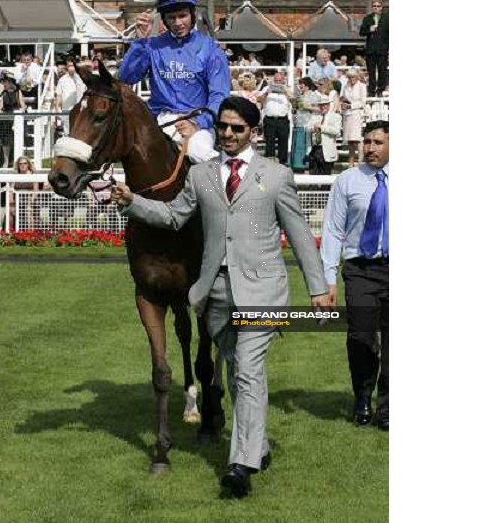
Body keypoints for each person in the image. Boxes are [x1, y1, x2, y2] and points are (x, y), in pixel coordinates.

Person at [111, 96, 330, 499]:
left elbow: (299, 234)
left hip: (262, 290)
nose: (228, 134)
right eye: (223, 127)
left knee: (246, 368)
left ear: (254, 132)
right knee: (236, 371)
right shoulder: (201, 176)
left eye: (237, 129)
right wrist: (134, 203)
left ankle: (239, 465)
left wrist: (318, 288)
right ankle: (258, 446)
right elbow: (174, 216)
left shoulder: (276, 176)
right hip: (213, 291)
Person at [320, 120, 389, 431]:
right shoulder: (347, 180)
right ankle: (362, 396)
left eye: (378, 142)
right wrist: (328, 278)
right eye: (367, 141)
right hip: (360, 270)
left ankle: (388, 407)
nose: (370, 148)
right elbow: (333, 231)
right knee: (361, 337)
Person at [118, 0, 230, 163]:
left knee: (199, 153)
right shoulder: (152, 47)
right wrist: (140, 42)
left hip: (198, 123)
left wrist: (197, 123)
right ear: (164, 20)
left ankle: (225, 187)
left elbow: (220, 96)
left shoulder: (210, 49)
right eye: (172, 18)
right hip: (159, 121)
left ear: (192, 15)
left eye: (182, 16)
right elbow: (126, 77)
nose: (178, 23)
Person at [260, 71, 292, 165]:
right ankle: (270, 163)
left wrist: (285, 91)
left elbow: (294, 101)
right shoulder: (267, 88)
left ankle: (282, 163)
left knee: (283, 142)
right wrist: (267, 93)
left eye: (279, 80)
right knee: (270, 142)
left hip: (282, 119)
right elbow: (259, 100)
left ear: (283, 80)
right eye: (276, 80)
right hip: (270, 119)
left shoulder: (287, 89)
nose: (277, 82)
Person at [359, 0, 389, 97]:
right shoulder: (367, 18)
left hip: (382, 49)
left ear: (381, 7)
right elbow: (361, 32)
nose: (376, 7)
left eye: (378, 6)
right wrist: (369, 30)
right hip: (371, 50)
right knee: (371, 72)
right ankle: (371, 91)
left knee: (382, 71)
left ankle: (380, 90)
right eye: (374, 6)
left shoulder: (387, 18)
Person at [306, 95, 342, 175]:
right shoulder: (315, 116)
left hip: (327, 150)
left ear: (328, 105)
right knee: (313, 175)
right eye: (321, 105)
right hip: (315, 148)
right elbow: (307, 127)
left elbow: (336, 131)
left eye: (325, 104)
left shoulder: (335, 116)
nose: (323, 107)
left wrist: (321, 128)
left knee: (326, 175)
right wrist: (312, 128)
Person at [289, 77, 319, 173]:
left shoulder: (313, 95)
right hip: (298, 123)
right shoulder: (299, 95)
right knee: (297, 145)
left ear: (307, 85)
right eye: (300, 84)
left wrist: (306, 106)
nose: (301, 86)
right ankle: (296, 165)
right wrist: (294, 108)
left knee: (304, 146)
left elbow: (318, 108)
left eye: (303, 84)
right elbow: (296, 108)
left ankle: (305, 165)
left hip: (307, 123)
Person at [340, 68, 367, 167]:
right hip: (347, 114)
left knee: (357, 139)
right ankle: (350, 163)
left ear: (357, 77)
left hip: (357, 114)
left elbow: (363, 102)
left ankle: (360, 161)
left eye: (353, 77)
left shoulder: (362, 86)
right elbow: (342, 98)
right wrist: (343, 104)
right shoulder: (345, 86)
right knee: (350, 140)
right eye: (350, 77)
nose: (351, 79)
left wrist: (351, 106)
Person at [9, 155, 42, 230]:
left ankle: (30, 234)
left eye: (25, 163)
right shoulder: (15, 176)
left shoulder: (33, 175)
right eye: (20, 164)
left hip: (30, 199)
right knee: (9, 212)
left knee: (28, 211)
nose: (23, 165)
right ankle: (9, 233)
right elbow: (11, 190)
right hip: (18, 199)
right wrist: (11, 203)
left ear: (28, 164)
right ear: (18, 165)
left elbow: (35, 191)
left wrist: (31, 201)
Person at [55, 58, 86, 135]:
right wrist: (57, 109)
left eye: (73, 65)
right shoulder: (62, 80)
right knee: (67, 133)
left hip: (81, 111)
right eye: (69, 66)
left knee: (80, 133)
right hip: (67, 111)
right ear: (66, 67)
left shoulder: (82, 78)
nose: (71, 67)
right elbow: (59, 96)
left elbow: (89, 64)